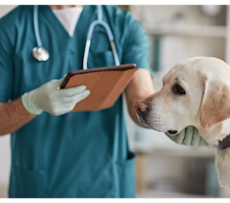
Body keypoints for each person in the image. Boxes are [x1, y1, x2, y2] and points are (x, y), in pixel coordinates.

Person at [0, 4, 204, 199]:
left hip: (105, 183)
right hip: (41, 185)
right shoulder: (10, 29)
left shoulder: (124, 26)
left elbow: (139, 97)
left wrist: (165, 118)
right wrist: (30, 103)